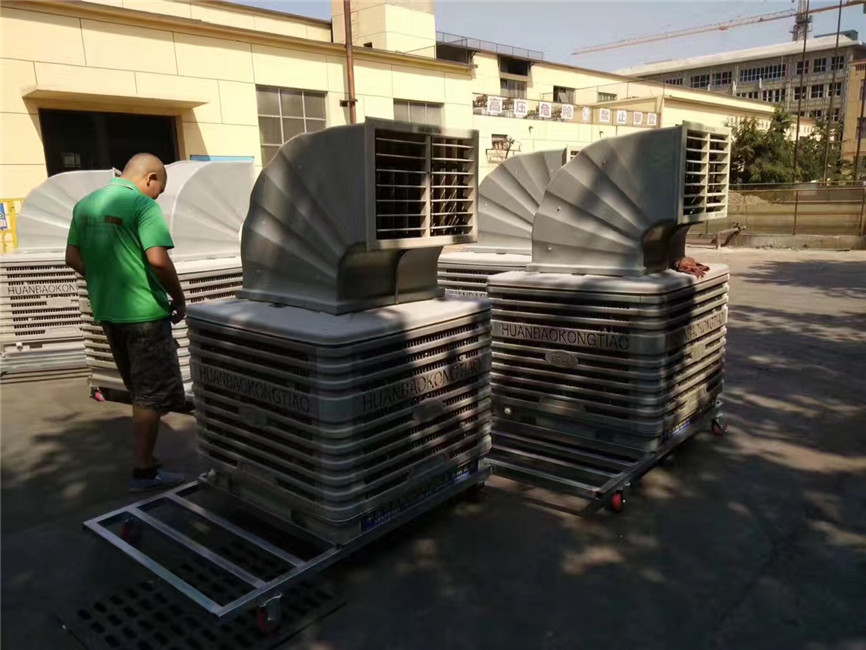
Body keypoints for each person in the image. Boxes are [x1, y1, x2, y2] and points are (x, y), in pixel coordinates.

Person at [66, 153, 188, 493]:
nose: (156, 197)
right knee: (151, 395)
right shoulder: (142, 206)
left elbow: (72, 257)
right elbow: (158, 261)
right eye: (158, 190)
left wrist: (105, 279)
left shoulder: (85, 205)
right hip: (145, 314)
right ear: (151, 178)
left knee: (139, 389)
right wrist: (178, 299)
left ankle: (146, 460)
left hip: (108, 312)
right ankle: (143, 469)